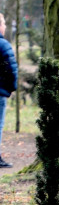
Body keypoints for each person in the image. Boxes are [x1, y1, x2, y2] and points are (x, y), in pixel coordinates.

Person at [0, 12, 18, 168]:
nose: (5, 26)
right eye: (4, 23)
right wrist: (11, 88)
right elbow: (11, 69)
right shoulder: (3, 44)